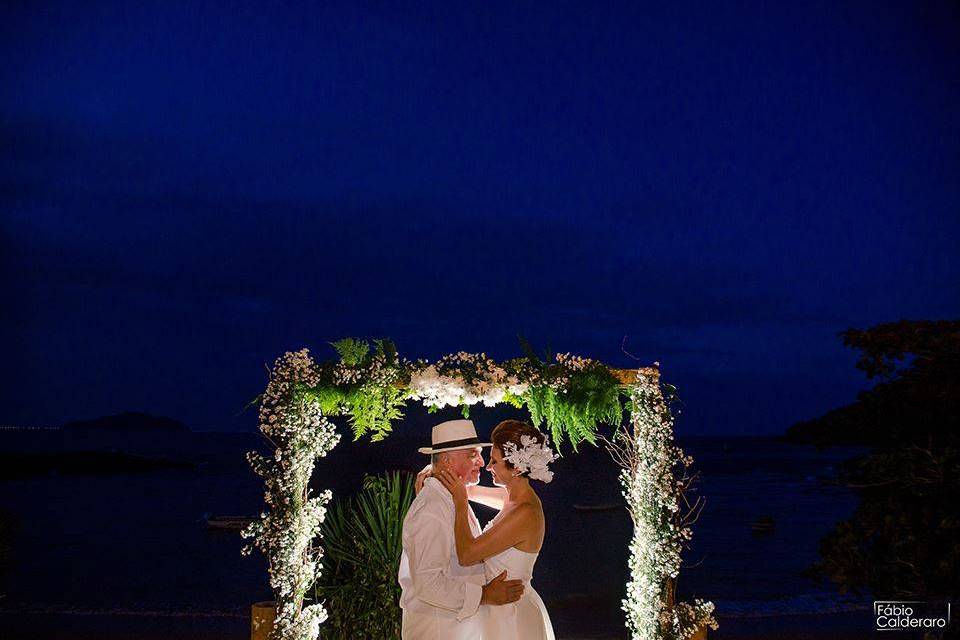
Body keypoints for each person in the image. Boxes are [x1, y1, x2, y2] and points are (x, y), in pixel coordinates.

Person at [399, 419, 526, 640]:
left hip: (458, 627)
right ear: (447, 460)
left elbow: (518, 502)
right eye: (472, 455)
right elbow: (428, 584)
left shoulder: (453, 498)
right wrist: (485, 595)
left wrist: (467, 492)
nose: (481, 462)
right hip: (439, 629)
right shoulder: (431, 509)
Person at [433, 419, 557, 640]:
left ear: (517, 468)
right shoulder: (513, 497)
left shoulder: (525, 512)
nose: (488, 467)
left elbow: (467, 554)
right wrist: (438, 476)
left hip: (513, 614)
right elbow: (471, 492)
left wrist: (461, 504)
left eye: (494, 462)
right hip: (500, 610)